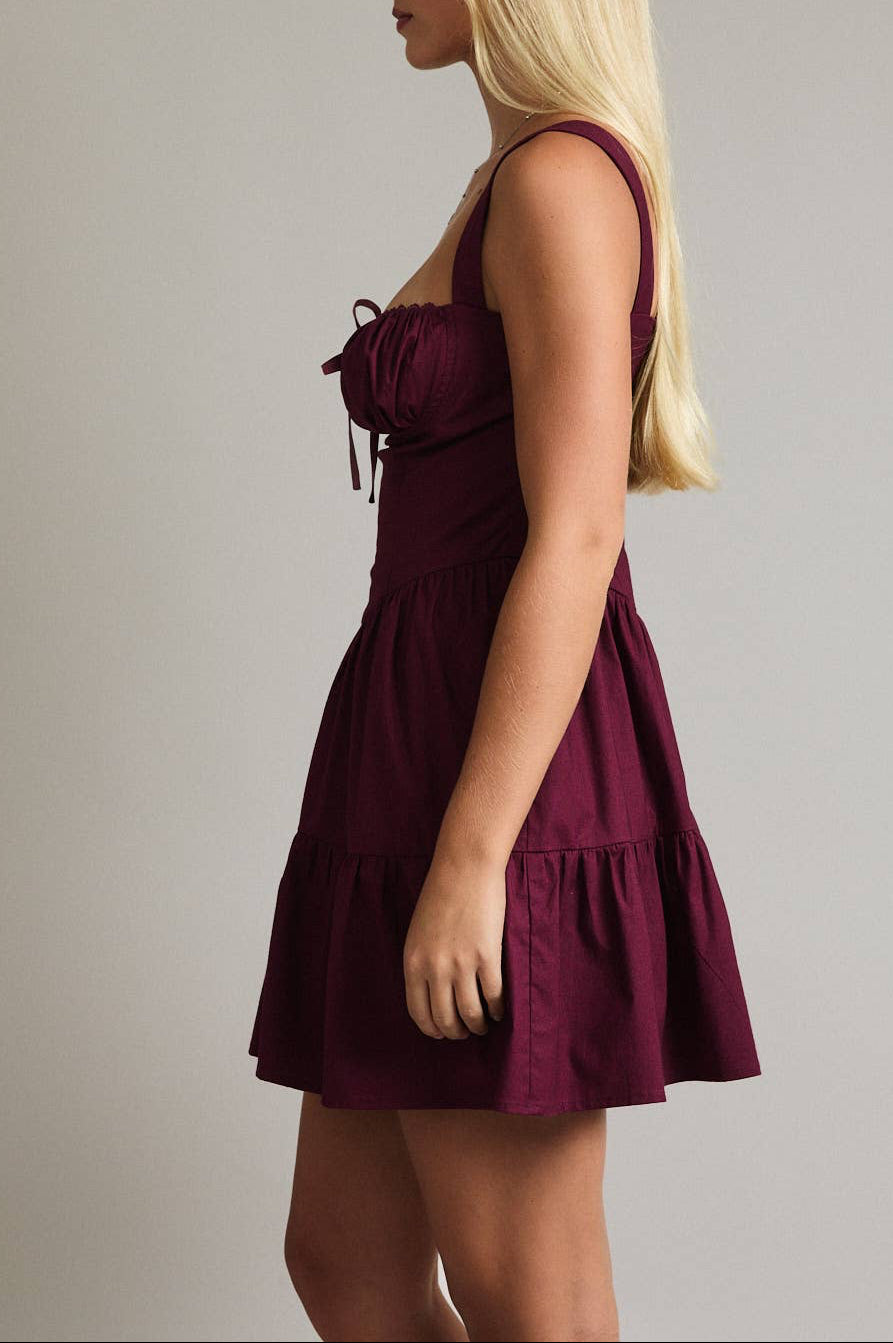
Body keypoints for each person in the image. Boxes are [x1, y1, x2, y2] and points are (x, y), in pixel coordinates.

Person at [249, 2, 761, 1338]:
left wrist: (472, 859)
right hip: (411, 739)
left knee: (531, 1302)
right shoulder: (512, 169)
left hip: (497, 774)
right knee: (346, 1264)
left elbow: (580, 530)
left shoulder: (556, 178)